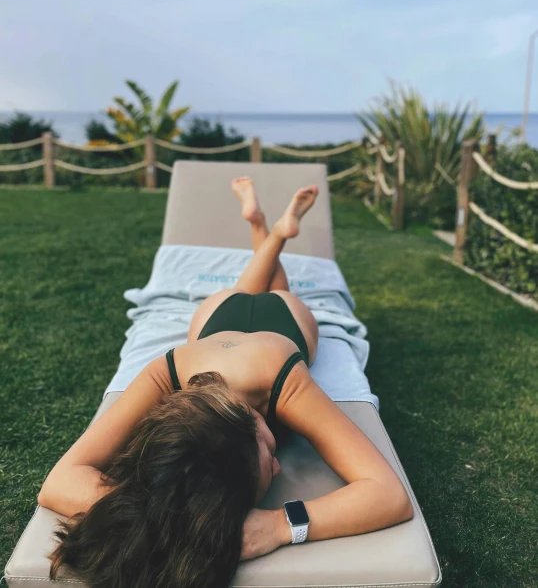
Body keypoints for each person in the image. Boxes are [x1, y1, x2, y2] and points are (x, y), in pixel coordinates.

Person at [38, 177, 413, 588]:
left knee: (277, 292)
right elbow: (58, 483)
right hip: (218, 321)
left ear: (249, 420)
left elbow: (390, 496)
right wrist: (167, 510)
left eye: (268, 452)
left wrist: (280, 525)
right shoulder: (171, 370)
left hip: (276, 320)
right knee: (250, 288)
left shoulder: (279, 381)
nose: (278, 462)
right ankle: (269, 231)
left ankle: (272, 232)